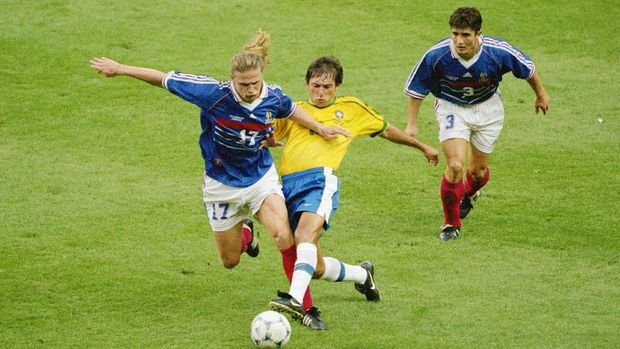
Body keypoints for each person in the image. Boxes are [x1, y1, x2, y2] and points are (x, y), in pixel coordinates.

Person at [89, 31, 350, 296]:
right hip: (221, 183)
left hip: (260, 177)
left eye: (255, 84)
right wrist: (119, 69)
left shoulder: (273, 96)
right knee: (230, 261)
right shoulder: (212, 93)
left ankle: (303, 307)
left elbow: (290, 110)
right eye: (244, 85)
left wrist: (319, 127)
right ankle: (245, 234)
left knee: (284, 236)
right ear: (233, 80)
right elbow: (162, 79)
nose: (251, 90)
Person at [266, 56, 439, 329]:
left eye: (327, 87)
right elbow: (267, 136)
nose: (320, 93)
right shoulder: (294, 111)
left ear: (337, 87)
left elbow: (386, 130)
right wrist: (269, 140)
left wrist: (422, 146)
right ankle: (362, 274)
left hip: (320, 181)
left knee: (303, 236)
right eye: (315, 86)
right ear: (306, 84)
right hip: (286, 186)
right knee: (316, 265)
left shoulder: (352, 109)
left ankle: (296, 300)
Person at [403, 7, 550, 241]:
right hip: (451, 107)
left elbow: (528, 69)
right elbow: (416, 88)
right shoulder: (437, 55)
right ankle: (451, 224)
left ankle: (469, 195)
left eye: (465, 35)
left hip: (488, 109)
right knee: (455, 165)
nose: (459, 41)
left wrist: (541, 95)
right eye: (455, 34)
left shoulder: (497, 51)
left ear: (478, 33)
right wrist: (412, 124)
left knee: (478, 172)